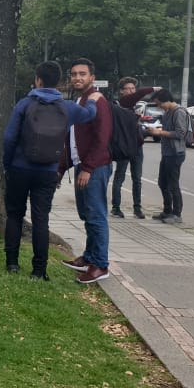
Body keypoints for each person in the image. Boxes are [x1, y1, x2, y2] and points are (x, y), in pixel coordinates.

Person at [2, 61, 101, 281]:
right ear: (60, 82)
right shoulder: (68, 108)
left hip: (19, 167)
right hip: (47, 171)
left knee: (15, 215)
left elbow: (9, 138)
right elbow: (89, 115)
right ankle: (39, 270)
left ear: (38, 80)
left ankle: (12, 263)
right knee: (41, 219)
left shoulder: (24, 104)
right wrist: (93, 101)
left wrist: (7, 164)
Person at [59, 58, 114, 284]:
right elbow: (72, 138)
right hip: (83, 165)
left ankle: (100, 265)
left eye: (82, 74)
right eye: (74, 74)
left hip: (95, 167)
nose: (77, 78)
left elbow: (102, 138)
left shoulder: (97, 100)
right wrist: (63, 168)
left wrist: (89, 168)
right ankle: (90, 257)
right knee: (86, 214)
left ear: (92, 77)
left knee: (95, 215)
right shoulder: (82, 100)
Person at [111, 77, 159, 219]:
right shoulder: (122, 103)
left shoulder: (132, 107)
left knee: (137, 178)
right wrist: (155, 89)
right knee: (119, 177)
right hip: (124, 147)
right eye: (128, 89)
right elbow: (139, 95)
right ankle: (116, 207)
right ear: (122, 91)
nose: (132, 91)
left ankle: (137, 209)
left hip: (137, 146)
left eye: (133, 88)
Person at [148, 89, 190, 224]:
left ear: (167, 100)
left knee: (173, 184)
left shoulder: (179, 112)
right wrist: (156, 130)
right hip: (166, 153)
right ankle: (167, 211)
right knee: (162, 182)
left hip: (175, 153)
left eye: (160, 104)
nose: (159, 107)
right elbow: (167, 129)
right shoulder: (167, 112)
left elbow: (180, 133)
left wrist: (159, 132)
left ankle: (177, 214)